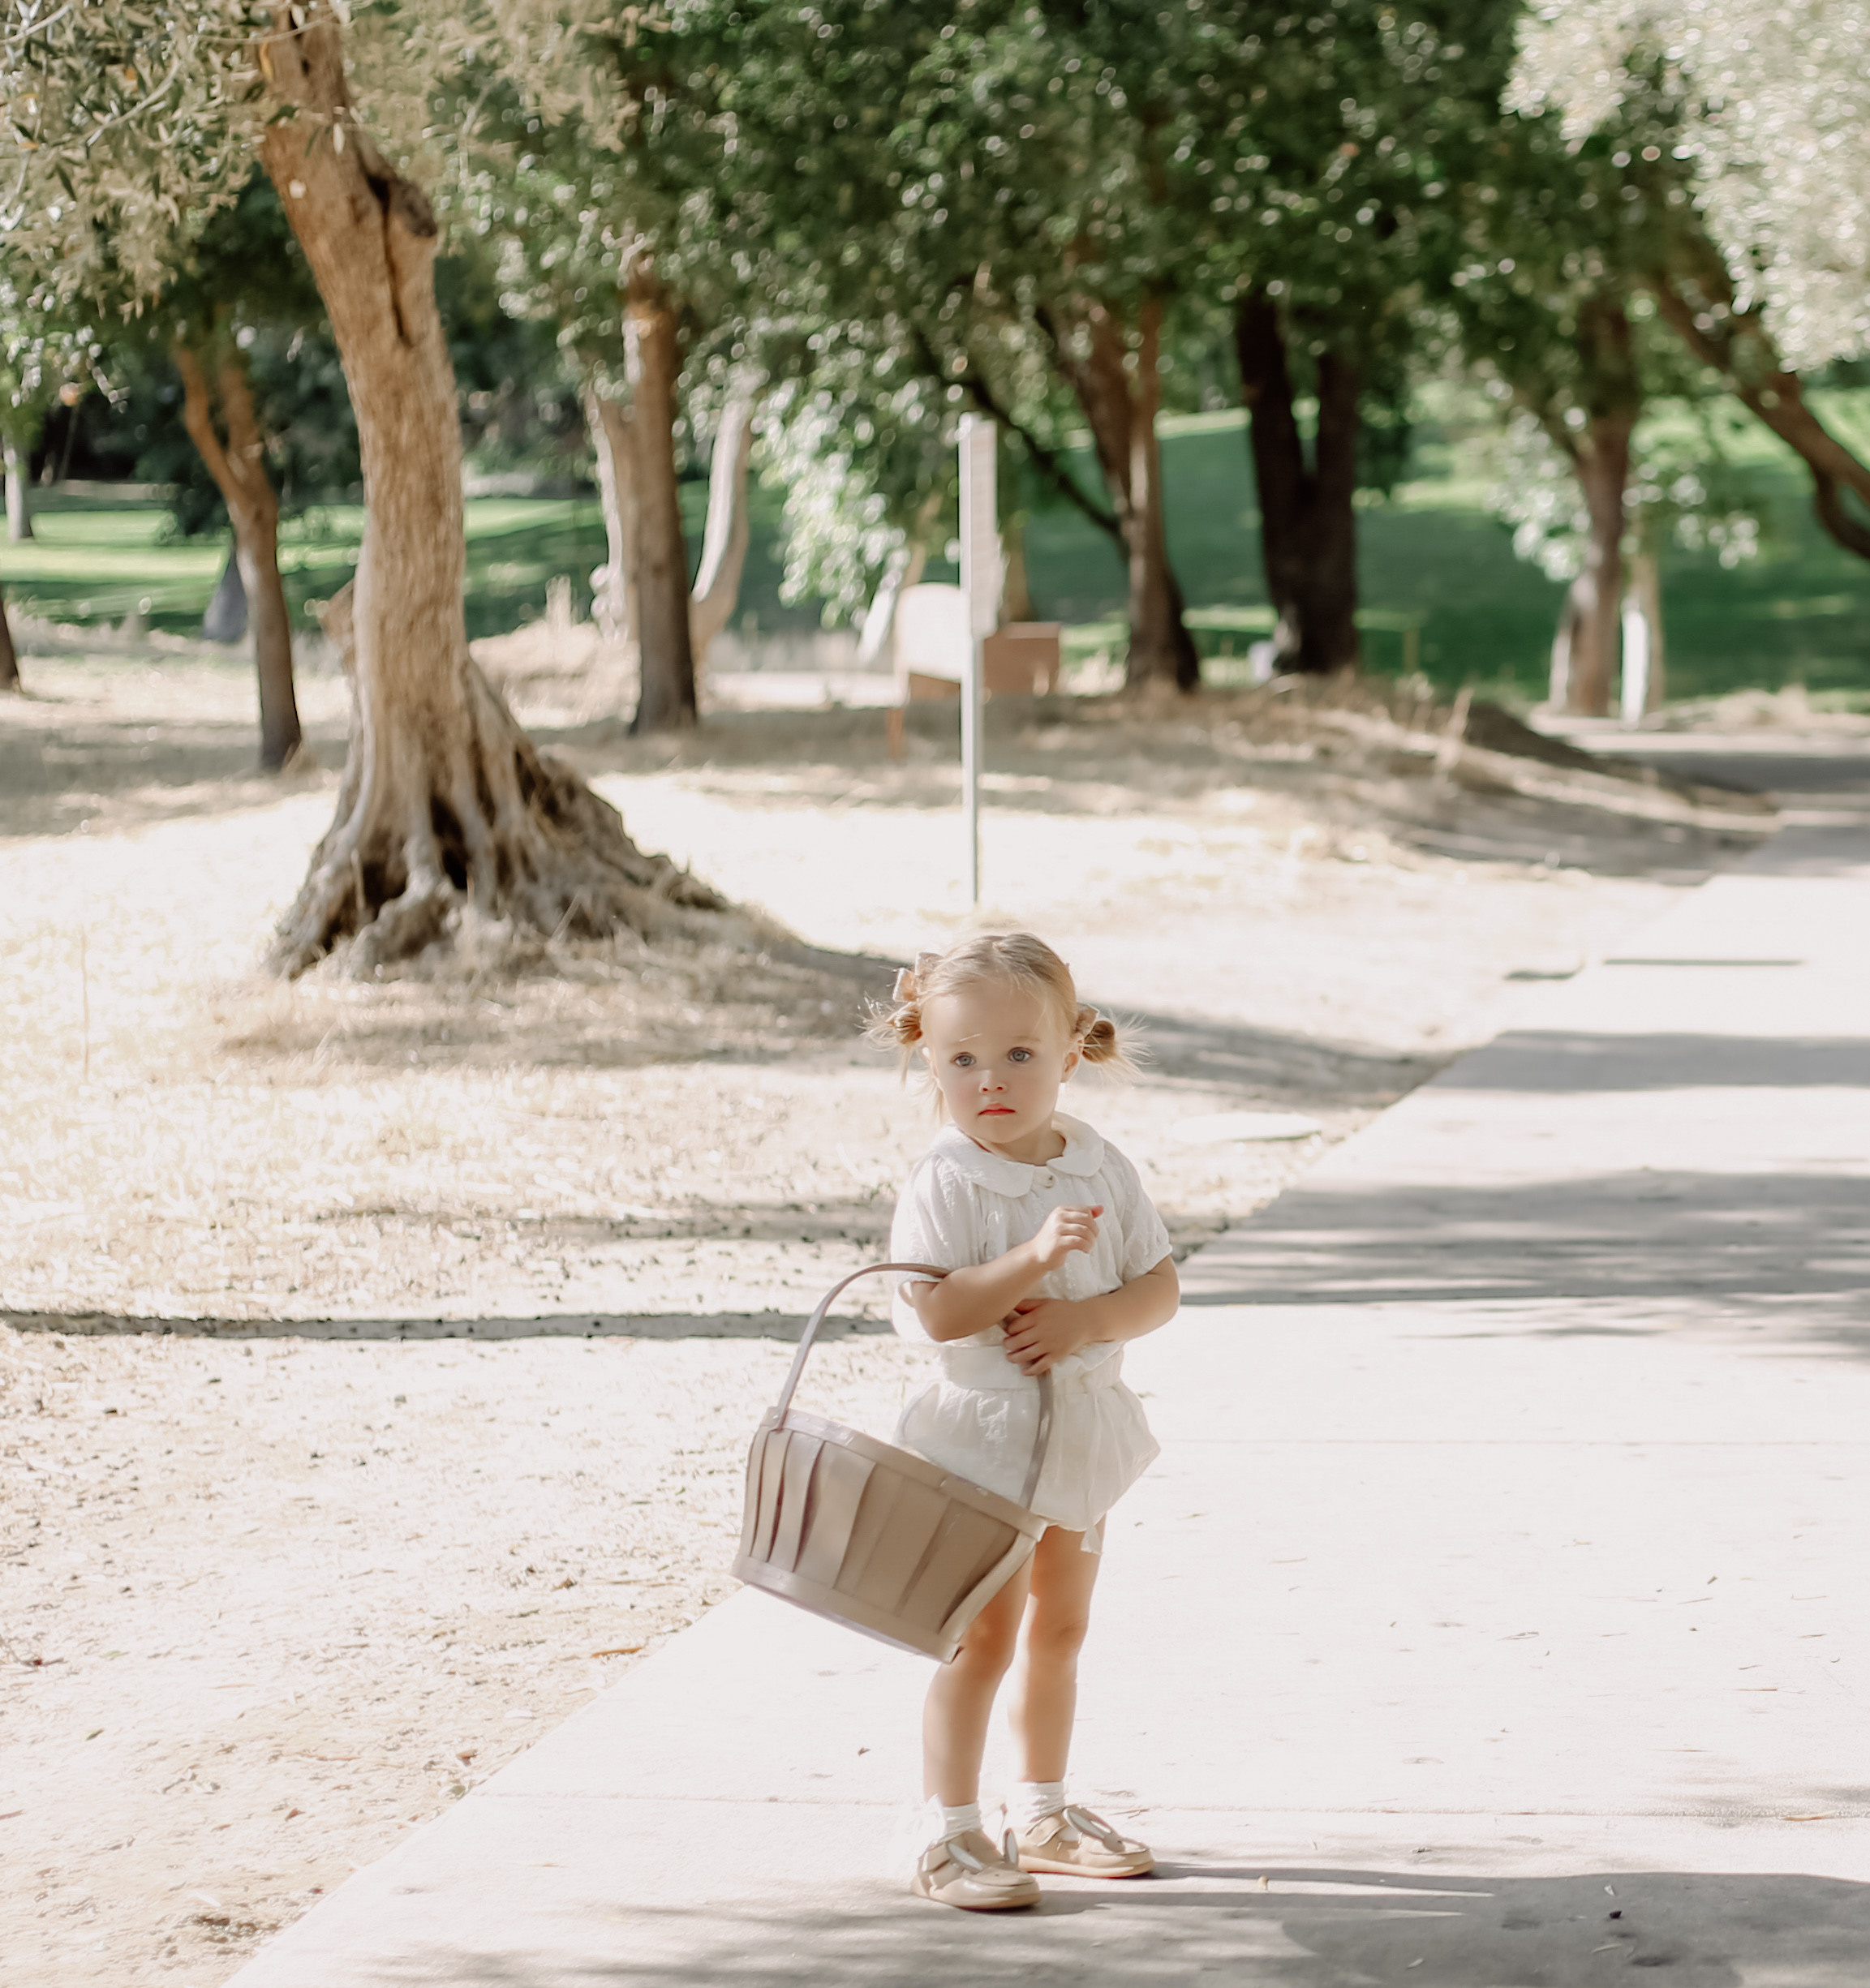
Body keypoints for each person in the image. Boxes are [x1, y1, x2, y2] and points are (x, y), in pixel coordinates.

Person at [868, 932, 1180, 1910]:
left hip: (1077, 1432)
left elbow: (1158, 1287)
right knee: (983, 1637)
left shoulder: (1098, 1163)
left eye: (1017, 1055)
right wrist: (1035, 1261)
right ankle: (947, 1828)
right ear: (930, 1059)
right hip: (983, 1443)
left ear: (1070, 1050)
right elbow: (938, 1313)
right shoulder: (949, 1179)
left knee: (1061, 1629)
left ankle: (1040, 1810)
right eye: (962, 1060)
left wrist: (1088, 1316)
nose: (989, 1081)